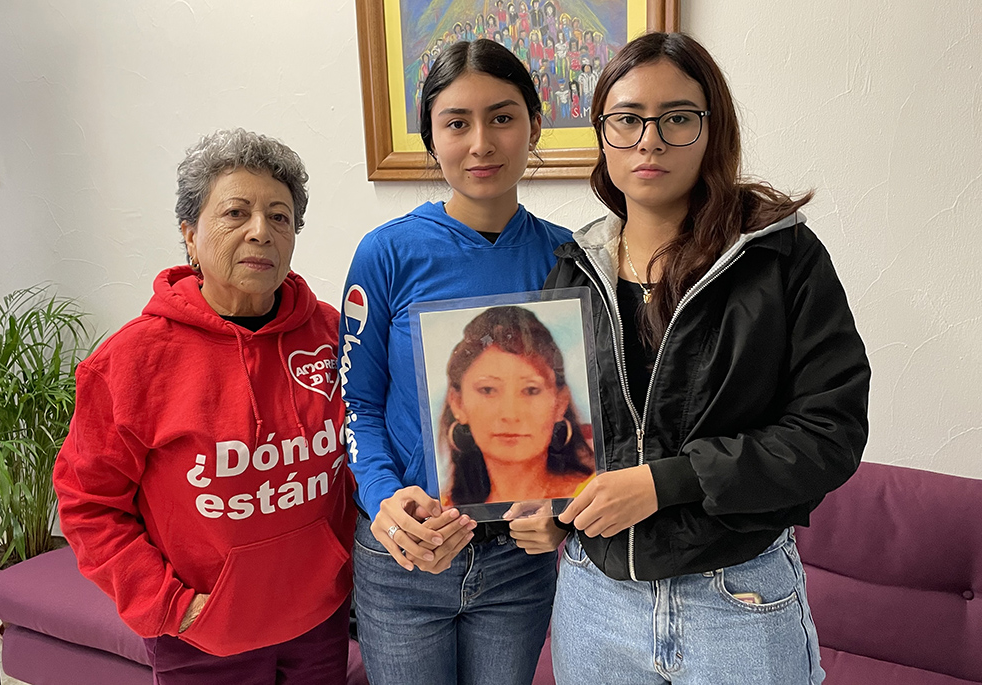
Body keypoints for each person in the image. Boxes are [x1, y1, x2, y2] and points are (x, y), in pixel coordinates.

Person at [544, 32, 871, 684]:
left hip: (735, 597)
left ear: (710, 128)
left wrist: (666, 481)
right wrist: (545, 513)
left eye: (678, 118)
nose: (650, 138)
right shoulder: (573, 269)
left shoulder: (780, 258)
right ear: (603, 132)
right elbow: (558, 437)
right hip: (593, 595)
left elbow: (829, 433)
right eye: (628, 118)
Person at [54, 129, 357, 684]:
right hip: (200, 634)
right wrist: (169, 605)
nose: (261, 232)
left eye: (280, 217)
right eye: (235, 213)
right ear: (190, 235)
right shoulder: (131, 362)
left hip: (319, 619)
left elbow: (365, 453)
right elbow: (88, 503)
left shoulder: (337, 338)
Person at [340, 39, 571, 685]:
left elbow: (581, 412)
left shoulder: (570, 256)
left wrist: (560, 513)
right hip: (406, 555)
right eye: (456, 122)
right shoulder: (385, 253)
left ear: (533, 125)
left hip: (519, 564)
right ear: (431, 137)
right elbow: (353, 402)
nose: (481, 144)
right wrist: (384, 497)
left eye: (501, 117)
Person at [438, 306, 594, 507]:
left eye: (530, 390)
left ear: (560, 403)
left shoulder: (595, 496)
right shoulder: (444, 510)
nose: (510, 414)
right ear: (457, 403)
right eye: (488, 390)